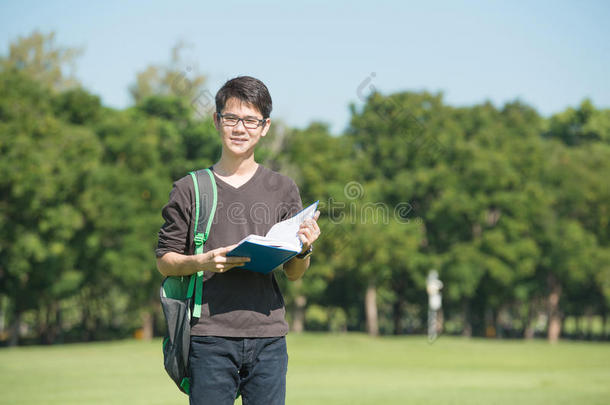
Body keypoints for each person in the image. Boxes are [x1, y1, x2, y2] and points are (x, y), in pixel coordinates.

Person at [156, 75, 320, 405]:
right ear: (217, 121)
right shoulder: (190, 188)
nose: (239, 128)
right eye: (231, 118)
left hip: (269, 337)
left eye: (250, 120)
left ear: (265, 126)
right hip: (208, 339)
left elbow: (293, 273)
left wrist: (304, 249)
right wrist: (200, 262)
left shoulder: (283, 188)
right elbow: (164, 262)